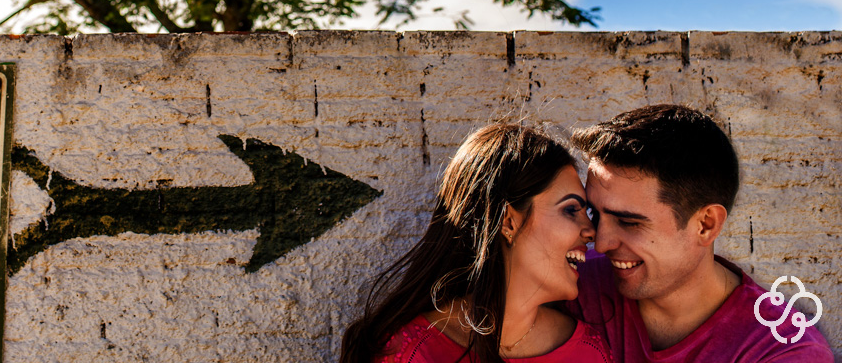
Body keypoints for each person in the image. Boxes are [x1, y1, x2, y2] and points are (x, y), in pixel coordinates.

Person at [569, 104, 833, 362]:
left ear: (706, 224)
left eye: (628, 222)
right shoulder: (571, 283)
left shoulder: (782, 350)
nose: (601, 244)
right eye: (594, 213)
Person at [340, 123, 610, 363]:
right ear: (507, 222)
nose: (591, 232)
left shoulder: (589, 352)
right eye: (571, 210)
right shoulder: (411, 352)